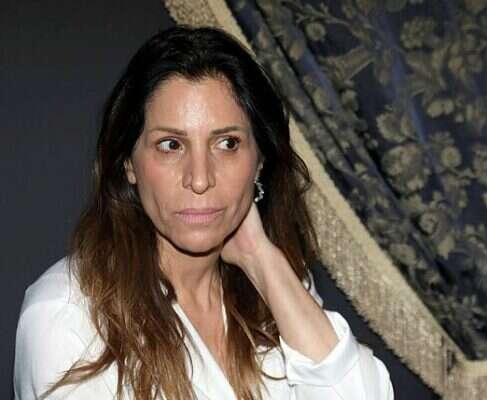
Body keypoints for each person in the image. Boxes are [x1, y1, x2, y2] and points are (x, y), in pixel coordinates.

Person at [14, 25, 393, 400]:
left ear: (260, 161)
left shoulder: (275, 289)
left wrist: (262, 259)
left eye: (227, 143)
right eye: (171, 145)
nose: (199, 179)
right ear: (128, 162)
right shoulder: (68, 315)